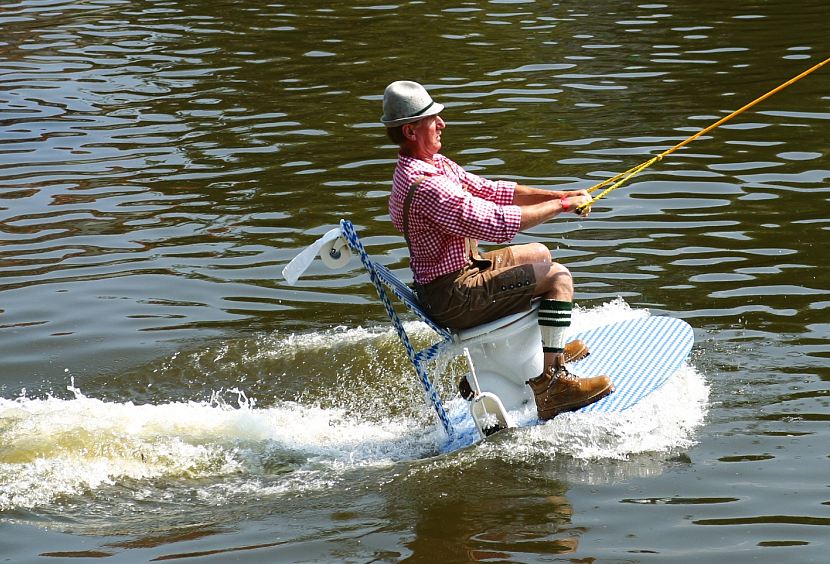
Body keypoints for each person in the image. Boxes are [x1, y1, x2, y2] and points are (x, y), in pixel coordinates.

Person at [380, 80, 613, 421]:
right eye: (433, 120)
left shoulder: (431, 166)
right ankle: (553, 387)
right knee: (558, 278)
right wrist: (563, 206)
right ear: (411, 131)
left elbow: (494, 191)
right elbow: (497, 224)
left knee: (540, 255)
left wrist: (557, 194)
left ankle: (543, 354)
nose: (442, 123)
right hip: (454, 295)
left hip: (460, 273)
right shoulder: (428, 185)